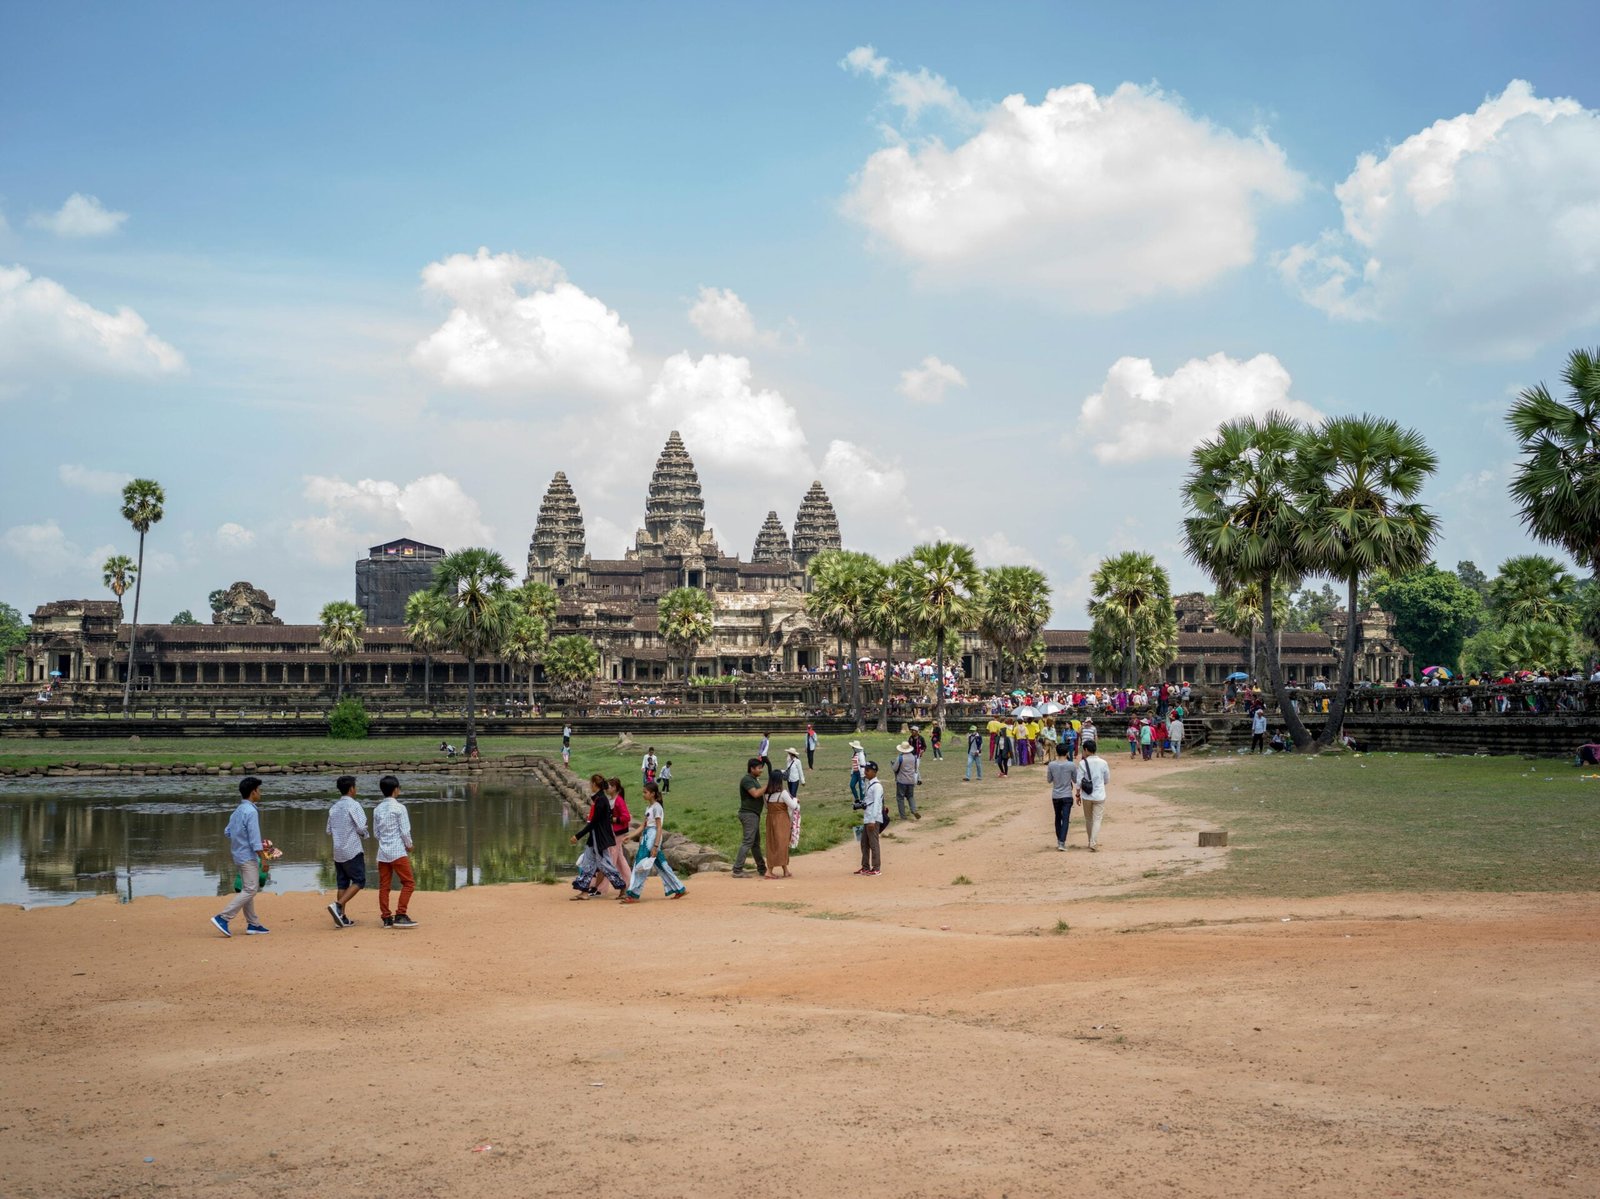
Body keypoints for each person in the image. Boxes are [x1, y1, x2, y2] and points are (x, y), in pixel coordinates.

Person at [212, 776, 272, 937]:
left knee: (248, 888)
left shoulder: (238, 811)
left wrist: (241, 839)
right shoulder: (251, 811)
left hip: (238, 854)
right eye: (259, 790)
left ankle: (253, 924)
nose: (260, 793)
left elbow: (228, 832)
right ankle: (223, 917)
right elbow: (253, 838)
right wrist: (264, 858)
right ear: (253, 792)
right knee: (251, 889)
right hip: (248, 856)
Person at [621, 781, 686, 902]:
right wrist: (629, 836)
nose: (643, 794)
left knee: (640, 863)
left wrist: (655, 845)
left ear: (652, 794)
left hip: (652, 838)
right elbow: (642, 826)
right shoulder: (649, 808)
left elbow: (658, 827)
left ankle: (633, 894)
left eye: (645, 792)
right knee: (662, 865)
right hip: (648, 836)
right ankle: (679, 888)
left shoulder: (657, 808)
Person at [570, 774, 627, 897]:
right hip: (594, 838)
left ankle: (622, 887)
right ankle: (584, 891)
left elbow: (594, 823)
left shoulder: (601, 801)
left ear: (595, 785)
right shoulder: (599, 799)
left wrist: (577, 836)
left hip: (599, 839)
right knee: (587, 863)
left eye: (591, 784)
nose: (590, 786)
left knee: (605, 864)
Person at [373, 776, 418, 928]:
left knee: (384, 885)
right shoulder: (400, 808)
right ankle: (401, 914)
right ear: (395, 790)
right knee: (409, 883)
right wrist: (409, 845)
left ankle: (386, 918)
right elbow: (405, 832)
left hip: (383, 853)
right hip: (398, 851)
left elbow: (376, 833)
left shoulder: (377, 809)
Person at [325, 774, 367, 928]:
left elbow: (328, 830)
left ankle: (341, 917)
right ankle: (338, 905)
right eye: (355, 787)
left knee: (342, 883)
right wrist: (364, 834)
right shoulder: (354, 805)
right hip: (352, 849)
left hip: (338, 851)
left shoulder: (334, 808)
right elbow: (361, 827)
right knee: (359, 880)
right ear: (351, 789)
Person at [732, 757, 768, 879]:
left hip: (753, 814)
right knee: (748, 842)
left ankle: (762, 868)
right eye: (759, 768)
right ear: (751, 768)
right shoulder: (747, 780)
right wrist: (768, 785)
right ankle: (737, 870)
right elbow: (756, 793)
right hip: (749, 814)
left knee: (755, 843)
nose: (761, 770)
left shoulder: (753, 779)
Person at [1075, 739, 1110, 852]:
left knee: (1088, 819)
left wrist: (1077, 794)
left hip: (1087, 795)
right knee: (1097, 819)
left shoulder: (1082, 763)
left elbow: (1079, 781)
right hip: (1099, 794)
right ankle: (1093, 842)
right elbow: (1106, 779)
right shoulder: (1103, 763)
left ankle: (1090, 840)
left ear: (1086, 750)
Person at [764, 762, 794, 880]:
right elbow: (793, 805)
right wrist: (796, 800)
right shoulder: (783, 793)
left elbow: (766, 807)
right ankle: (769, 871)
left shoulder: (766, 794)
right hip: (782, 820)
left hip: (770, 819)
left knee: (772, 844)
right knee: (782, 844)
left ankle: (784, 869)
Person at [1046, 743, 1076, 851]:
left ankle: (1059, 840)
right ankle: (1062, 842)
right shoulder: (1071, 765)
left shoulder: (1051, 765)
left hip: (1056, 795)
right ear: (1067, 753)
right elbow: (1076, 780)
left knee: (1057, 817)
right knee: (1066, 818)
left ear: (1057, 752)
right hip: (1067, 794)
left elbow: (1049, 780)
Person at [856, 761, 884, 876]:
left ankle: (876, 868)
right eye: (865, 770)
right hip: (867, 818)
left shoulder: (877, 786)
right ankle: (865, 867)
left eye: (867, 770)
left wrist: (872, 820)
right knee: (864, 843)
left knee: (873, 844)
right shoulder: (870, 784)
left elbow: (877, 804)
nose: (865, 772)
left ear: (874, 772)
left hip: (873, 819)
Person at [606, 778, 634, 887]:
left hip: (617, 832)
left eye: (608, 786)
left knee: (611, 858)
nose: (606, 788)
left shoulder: (619, 800)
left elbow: (626, 817)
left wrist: (614, 819)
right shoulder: (611, 800)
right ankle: (629, 883)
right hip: (613, 831)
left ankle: (601, 886)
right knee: (619, 858)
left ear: (614, 788)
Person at [891, 740, 921, 820]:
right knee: (910, 796)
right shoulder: (914, 757)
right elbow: (915, 769)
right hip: (911, 780)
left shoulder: (900, 758)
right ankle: (914, 810)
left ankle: (903, 816)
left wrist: (892, 765)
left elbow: (894, 768)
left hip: (901, 781)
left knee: (900, 798)